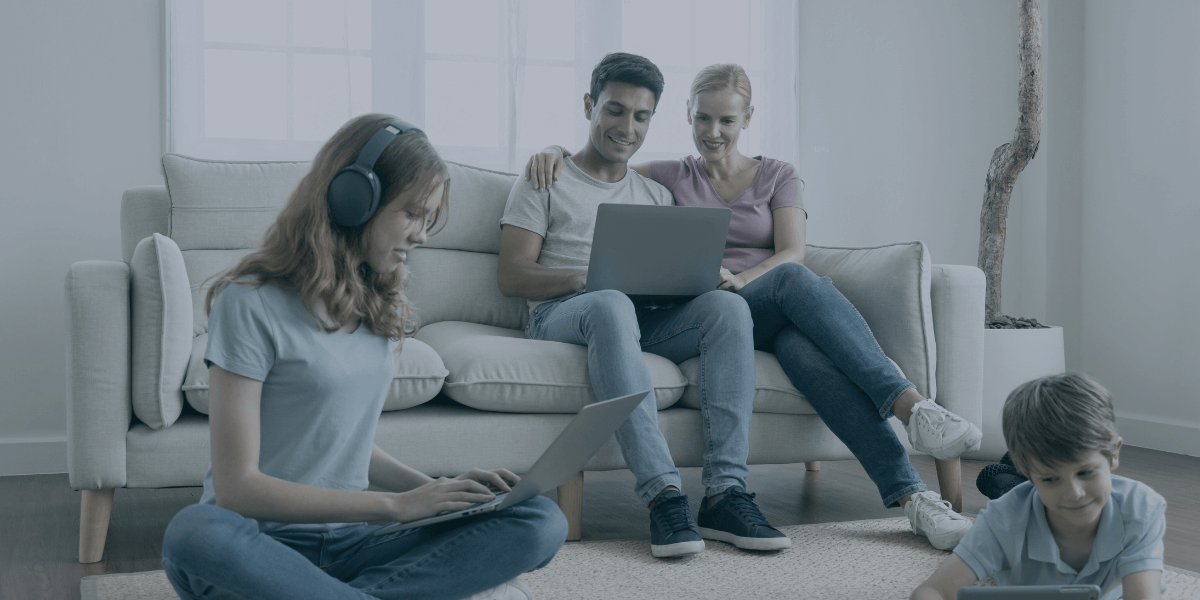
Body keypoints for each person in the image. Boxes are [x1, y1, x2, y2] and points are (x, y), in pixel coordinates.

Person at [524, 63, 984, 550]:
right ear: (687, 116)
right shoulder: (669, 177)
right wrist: (553, 151)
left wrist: (741, 279)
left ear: (747, 119)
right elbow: (603, 167)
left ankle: (914, 494)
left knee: (802, 326)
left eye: (726, 121)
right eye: (703, 119)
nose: (714, 132)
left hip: (767, 303)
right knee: (784, 287)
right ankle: (912, 413)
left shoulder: (778, 175)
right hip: (718, 311)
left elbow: (793, 251)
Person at [161, 114, 567, 600]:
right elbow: (236, 489)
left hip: (358, 543)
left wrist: (443, 496)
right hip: (265, 546)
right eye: (413, 213)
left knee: (538, 518)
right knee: (194, 532)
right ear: (353, 199)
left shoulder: (380, 303)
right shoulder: (249, 303)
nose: (421, 234)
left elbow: (341, 440)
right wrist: (396, 505)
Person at [498, 53, 791, 558]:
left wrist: (705, 280)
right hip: (561, 314)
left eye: (641, 116)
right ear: (590, 105)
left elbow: (667, 280)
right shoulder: (545, 177)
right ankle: (663, 495)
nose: (626, 127)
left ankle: (725, 493)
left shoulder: (654, 194)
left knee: (728, 310)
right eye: (614, 110)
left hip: (638, 317)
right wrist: (587, 279)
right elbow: (510, 275)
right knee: (610, 299)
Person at [911, 373, 1167, 600]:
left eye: (1086, 472)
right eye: (1050, 478)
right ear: (1029, 474)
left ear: (1113, 455)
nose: (1075, 493)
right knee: (1005, 505)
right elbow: (931, 591)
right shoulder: (1003, 520)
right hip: (1016, 506)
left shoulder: (1141, 508)